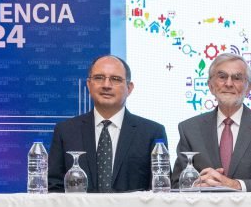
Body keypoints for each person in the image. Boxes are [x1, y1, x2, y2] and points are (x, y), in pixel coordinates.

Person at [171, 53, 251, 191]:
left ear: (248, 88)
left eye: (237, 78)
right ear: (210, 86)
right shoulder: (189, 129)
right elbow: (177, 184)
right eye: (222, 77)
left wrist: (234, 184)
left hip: (250, 205)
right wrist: (197, 185)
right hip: (204, 205)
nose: (228, 84)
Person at [48, 55, 167, 192]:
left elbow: (161, 190)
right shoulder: (66, 131)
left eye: (115, 79)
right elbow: (53, 187)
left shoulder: (151, 133)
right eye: (99, 78)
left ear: (129, 88)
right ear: (89, 85)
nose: (106, 85)